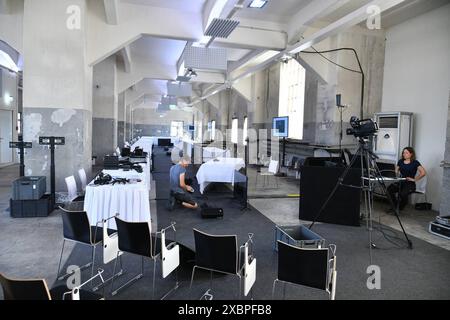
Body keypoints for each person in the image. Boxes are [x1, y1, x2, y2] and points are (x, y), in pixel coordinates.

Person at [387, 147, 426, 211]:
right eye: (403, 153)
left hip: (410, 184)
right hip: (401, 182)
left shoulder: (415, 162)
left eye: (406, 153)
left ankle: (399, 208)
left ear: (411, 154)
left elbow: (423, 172)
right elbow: (396, 171)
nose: (404, 154)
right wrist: (395, 174)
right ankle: (395, 206)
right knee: (389, 190)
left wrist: (414, 179)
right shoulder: (400, 161)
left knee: (403, 194)